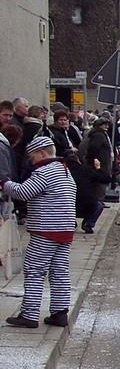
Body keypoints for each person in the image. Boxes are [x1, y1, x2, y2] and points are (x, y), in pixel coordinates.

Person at [0, 135, 77, 328]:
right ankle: (59, 313)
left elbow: (23, 192)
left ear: (41, 153)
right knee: (59, 271)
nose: (31, 161)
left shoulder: (44, 172)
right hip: (65, 229)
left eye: (32, 157)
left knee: (34, 270)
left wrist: (4, 183)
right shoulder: (64, 171)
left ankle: (29, 314)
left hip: (46, 230)